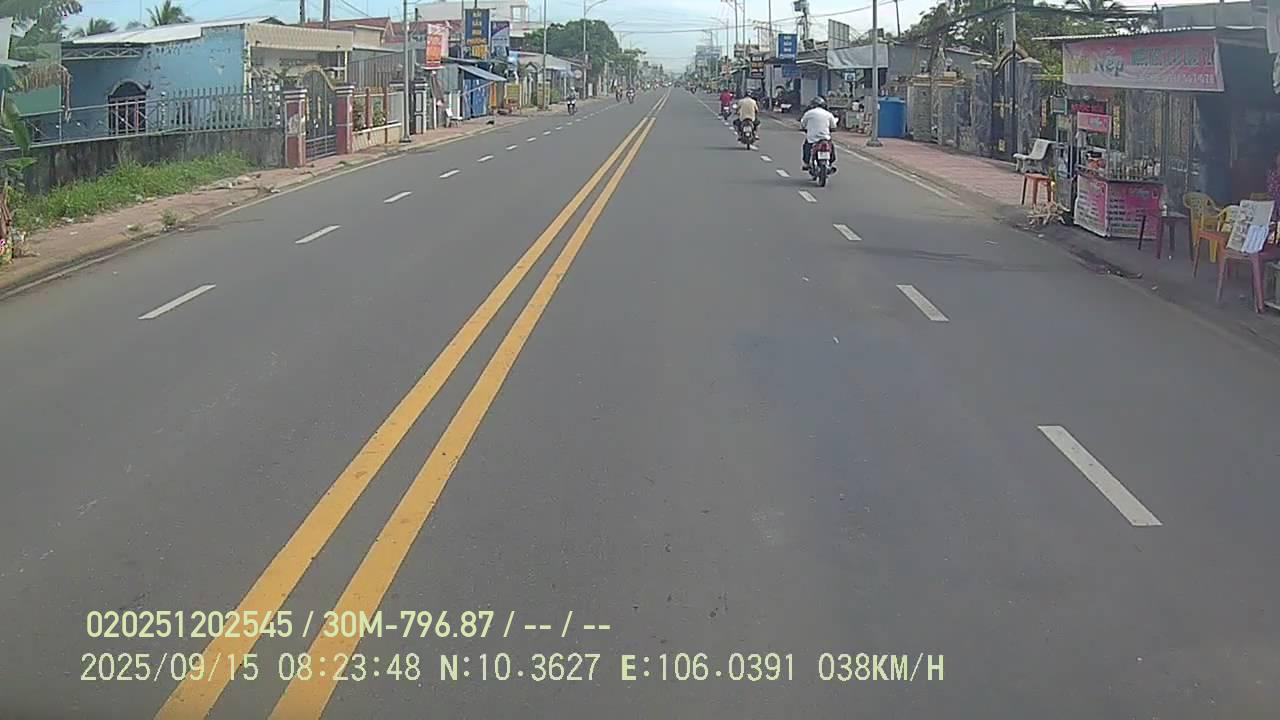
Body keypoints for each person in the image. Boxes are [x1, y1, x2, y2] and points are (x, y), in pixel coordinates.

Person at [800, 96, 839, 172]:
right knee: (831, 147)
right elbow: (833, 126)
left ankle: (806, 163)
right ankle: (830, 163)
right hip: (825, 138)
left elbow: (802, 124)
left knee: (806, 147)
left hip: (812, 138)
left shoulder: (808, 113)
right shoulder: (828, 114)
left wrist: (803, 128)